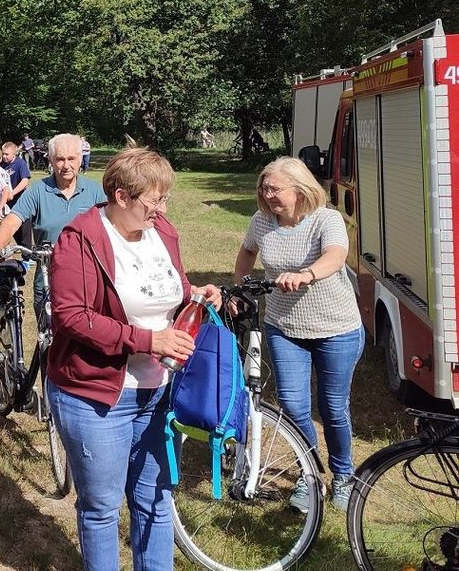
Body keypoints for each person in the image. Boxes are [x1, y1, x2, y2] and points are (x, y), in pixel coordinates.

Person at [48, 147, 221, 570]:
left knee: (155, 500)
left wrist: (195, 294)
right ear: (121, 196)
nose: (161, 210)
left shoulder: (162, 231)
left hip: (157, 393)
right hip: (95, 395)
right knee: (102, 506)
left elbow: (170, 286)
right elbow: (72, 318)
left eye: (165, 200)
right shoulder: (81, 240)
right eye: (154, 200)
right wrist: (148, 341)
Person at [232, 156, 363, 512]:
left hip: (336, 328)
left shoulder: (326, 219)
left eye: (275, 188)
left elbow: (336, 255)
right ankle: (309, 479)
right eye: (264, 188)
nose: (268, 194)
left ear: (299, 187)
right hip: (284, 328)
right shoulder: (262, 222)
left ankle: (343, 476)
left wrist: (307, 274)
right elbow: (246, 253)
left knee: (333, 408)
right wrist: (240, 287)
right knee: (293, 406)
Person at [0, 134, 106, 318]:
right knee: (48, 334)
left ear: (80, 159)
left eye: (71, 159)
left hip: (87, 276)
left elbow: (112, 226)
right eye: (60, 159)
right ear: (50, 160)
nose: (66, 165)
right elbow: (12, 220)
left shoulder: (95, 191)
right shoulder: (38, 190)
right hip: (48, 275)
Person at [1, 141, 34, 247]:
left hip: (20, 201)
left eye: (7, 154)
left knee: (24, 231)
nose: (4, 156)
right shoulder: (1, 165)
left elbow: (25, 181)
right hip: (6, 202)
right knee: (11, 229)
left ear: (14, 154)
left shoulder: (20, 163)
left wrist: (12, 193)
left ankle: (28, 257)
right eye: (3, 154)